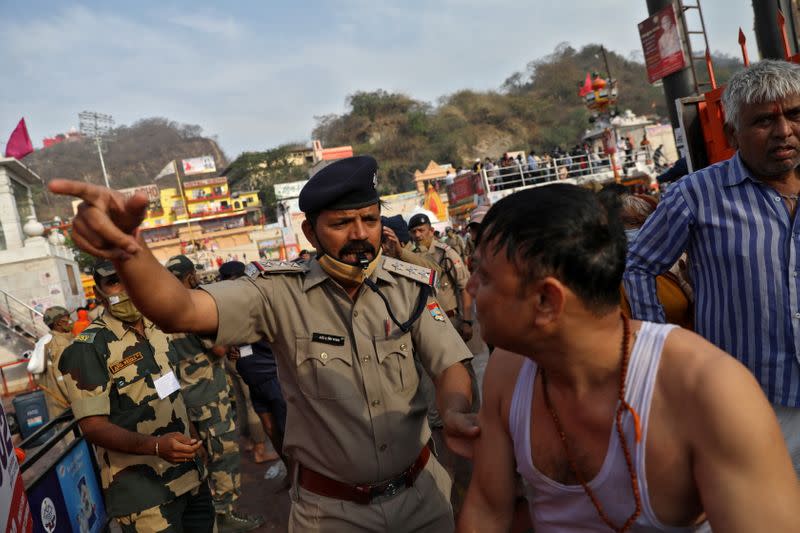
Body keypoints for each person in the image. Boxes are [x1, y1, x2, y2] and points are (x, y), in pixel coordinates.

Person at [51, 155, 477, 533]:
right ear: (310, 232)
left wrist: (455, 409)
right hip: (333, 513)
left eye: (369, 219)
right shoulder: (276, 292)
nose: (360, 234)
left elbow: (448, 361)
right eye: (342, 224)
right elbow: (179, 310)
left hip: (422, 495)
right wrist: (129, 251)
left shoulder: (409, 287)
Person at [458, 184, 799, 532]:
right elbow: (487, 509)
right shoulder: (508, 371)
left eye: (483, 276)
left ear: (547, 300)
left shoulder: (706, 388)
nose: (469, 289)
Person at [625, 60, 800, 476]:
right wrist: (663, 356)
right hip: (750, 399)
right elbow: (639, 268)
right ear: (731, 133)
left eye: (795, 114)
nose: (784, 131)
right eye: (763, 121)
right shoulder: (696, 195)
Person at [58, 260, 214, 532]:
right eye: (114, 281)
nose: (126, 288)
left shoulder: (158, 329)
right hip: (144, 496)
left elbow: (171, 392)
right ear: (99, 293)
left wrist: (192, 440)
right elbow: (92, 427)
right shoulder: (87, 349)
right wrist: (156, 447)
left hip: (190, 478)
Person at [166, 255, 264, 532]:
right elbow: (219, 348)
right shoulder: (192, 305)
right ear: (189, 277)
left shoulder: (162, 310)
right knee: (224, 453)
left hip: (184, 395)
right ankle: (224, 513)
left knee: (202, 455)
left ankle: (211, 512)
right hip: (209, 393)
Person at [37, 306, 74, 416]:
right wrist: (77, 400)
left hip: (59, 406)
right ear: (58, 323)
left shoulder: (56, 340)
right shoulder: (60, 343)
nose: (71, 321)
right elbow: (63, 377)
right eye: (67, 319)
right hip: (66, 407)